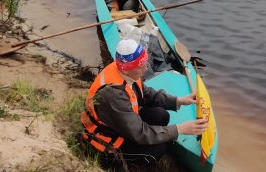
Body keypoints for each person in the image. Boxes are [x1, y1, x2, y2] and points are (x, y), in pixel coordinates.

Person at [81, 38, 208, 167]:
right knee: (157, 149)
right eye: (141, 66)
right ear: (126, 69)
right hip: (104, 136)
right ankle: (117, 164)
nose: (146, 68)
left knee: (161, 115)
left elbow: (146, 94)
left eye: (145, 63)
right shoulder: (113, 95)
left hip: (120, 123)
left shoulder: (126, 70)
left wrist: (179, 101)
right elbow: (140, 133)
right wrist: (180, 129)